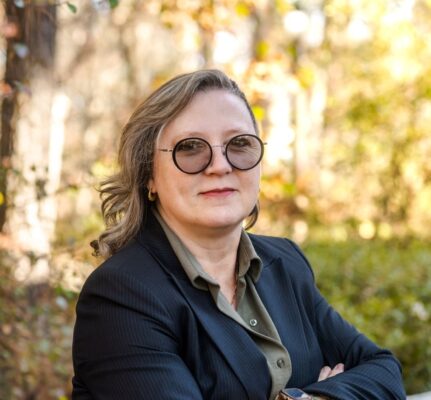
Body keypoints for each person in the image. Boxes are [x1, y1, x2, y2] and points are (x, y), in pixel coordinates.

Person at [72, 69, 405, 400]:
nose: (220, 165)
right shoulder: (121, 296)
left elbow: (383, 371)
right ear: (149, 176)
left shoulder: (286, 262)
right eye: (190, 147)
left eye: (240, 144)